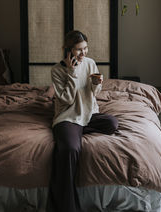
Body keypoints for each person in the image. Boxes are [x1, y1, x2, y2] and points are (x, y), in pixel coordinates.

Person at [47, 30, 118, 212]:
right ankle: (67, 206)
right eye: (79, 50)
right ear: (68, 50)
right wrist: (71, 73)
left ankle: (76, 132)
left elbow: (94, 94)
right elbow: (68, 99)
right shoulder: (56, 70)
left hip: (89, 113)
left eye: (85, 48)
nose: (83, 53)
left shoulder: (90, 63)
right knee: (70, 149)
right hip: (68, 116)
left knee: (112, 124)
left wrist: (96, 84)